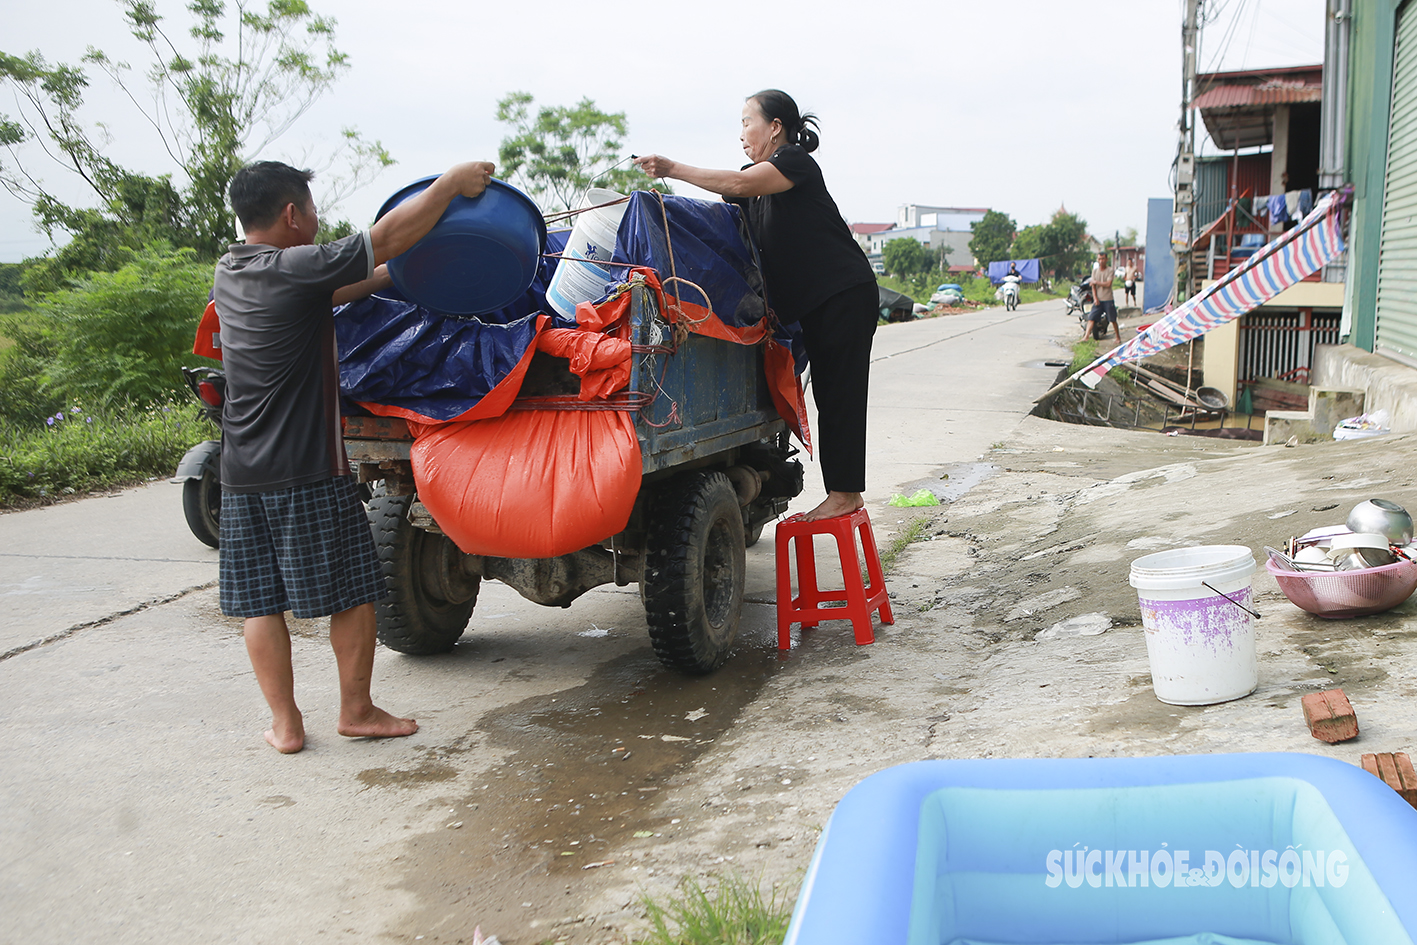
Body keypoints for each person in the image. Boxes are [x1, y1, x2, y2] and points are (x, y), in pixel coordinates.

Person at [215, 158, 494, 752]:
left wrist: (401, 272)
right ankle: (357, 710)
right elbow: (384, 237)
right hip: (306, 466)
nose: (316, 219)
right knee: (354, 589)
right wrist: (450, 185)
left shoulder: (233, 270)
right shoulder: (294, 265)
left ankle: (286, 726)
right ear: (292, 214)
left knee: (259, 600)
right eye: (311, 208)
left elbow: (351, 280)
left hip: (240, 469)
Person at [633, 90, 877, 522]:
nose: (742, 133)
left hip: (843, 293)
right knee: (828, 390)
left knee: (840, 391)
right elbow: (719, 208)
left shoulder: (795, 163)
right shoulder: (757, 188)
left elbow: (738, 183)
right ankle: (842, 491)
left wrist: (671, 169)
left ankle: (845, 495)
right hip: (815, 303)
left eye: (748, 122)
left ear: (776, 127)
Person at [1080, 250, 1122, 344]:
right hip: (1098, 300)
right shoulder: (1094, 271)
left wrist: (1096, 282)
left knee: (1113, 319)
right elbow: (1093, 286)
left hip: (1108, 299)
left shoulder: (1110, 270)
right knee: (1091, 318)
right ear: (1097, 260)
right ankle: (1086, 337)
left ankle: (1118, 337)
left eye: (1103, 259)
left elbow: (1108, 284)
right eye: (1099, 259)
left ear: (1106, 259)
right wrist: (1095, 298)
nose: (1101, 261)